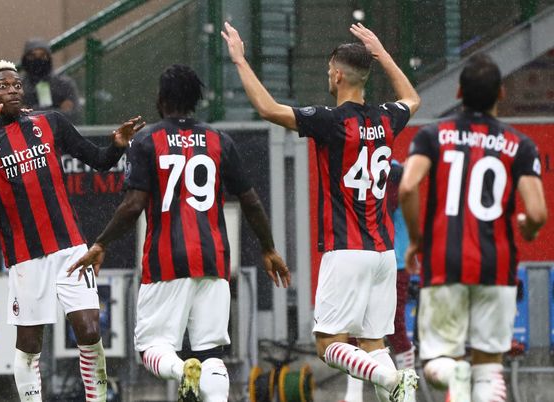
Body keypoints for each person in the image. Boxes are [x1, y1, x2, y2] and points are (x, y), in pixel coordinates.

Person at [222, 22, 421, 402]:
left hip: (346, 251)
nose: (327, 75)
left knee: (328, 346)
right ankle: (396, 381)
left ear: (338, 74)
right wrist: (380, 52)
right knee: (374, 345)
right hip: (383, 254)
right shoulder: (386, 118)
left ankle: (393, 379)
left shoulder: (331, 122)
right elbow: (412, 98)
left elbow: (267, 108)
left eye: (330, 70)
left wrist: (240, 60)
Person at [69, 64, 291, 402]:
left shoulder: (147, 139)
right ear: (195, 100)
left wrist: (101, 243)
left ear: (161, 99)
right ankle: (201, 375)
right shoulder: (219, 140)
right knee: (212, 353)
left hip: (166, 260)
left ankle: (180, 370)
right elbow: (251, 201)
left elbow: (132, 206)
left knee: (152, 348)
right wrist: (269, 248)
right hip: (214, 258)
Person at [0, 60, 144, 402]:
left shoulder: (49, 123)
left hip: (69, 248)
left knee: (90, 329)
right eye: (3, 86)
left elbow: (100, 160)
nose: (13, 90)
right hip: (25, 257)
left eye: (17, 84)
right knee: (30, 345)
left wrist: (118, 146)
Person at [399, 54, 547, 402]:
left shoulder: (433, 136)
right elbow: (537, 214)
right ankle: (469, 377)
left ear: (458, 91)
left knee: (438, 365)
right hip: (496, 267)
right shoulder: (520, 146)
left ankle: (454, 372)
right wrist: (527, 228)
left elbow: (407, 187)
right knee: (488, 369)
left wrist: (416, 240)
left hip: (444, 263)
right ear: (502, 93)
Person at [340, 160, 417, 402]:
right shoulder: (370, 163)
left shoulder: (394, 170)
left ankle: (409, 394)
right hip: (367, 258)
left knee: (395, 330)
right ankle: (354, 397)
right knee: (354, 331)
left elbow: (387, 203)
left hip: (394, 262)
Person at [20, 39, 81, 123]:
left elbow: (74, 114)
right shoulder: (18, 86)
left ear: (49, 58)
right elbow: (15, 116)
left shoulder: (64, 84)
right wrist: (57, 111)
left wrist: (30, 111)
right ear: (25, 59)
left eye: (42, 55)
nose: (37, 60)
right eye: (32, 56)